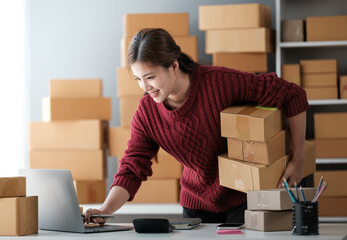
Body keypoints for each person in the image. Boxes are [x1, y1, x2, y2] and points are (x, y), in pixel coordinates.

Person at [84, 28, 309, 224]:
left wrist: (298, 160)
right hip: (195, 207)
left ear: (173, 65)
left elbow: (293, 95)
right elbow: (132, 168)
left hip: (244, 200)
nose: (145, 87)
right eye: (138, 79)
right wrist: (105, 210)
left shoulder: (219, 83)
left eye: (150, 77)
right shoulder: (147, 113)